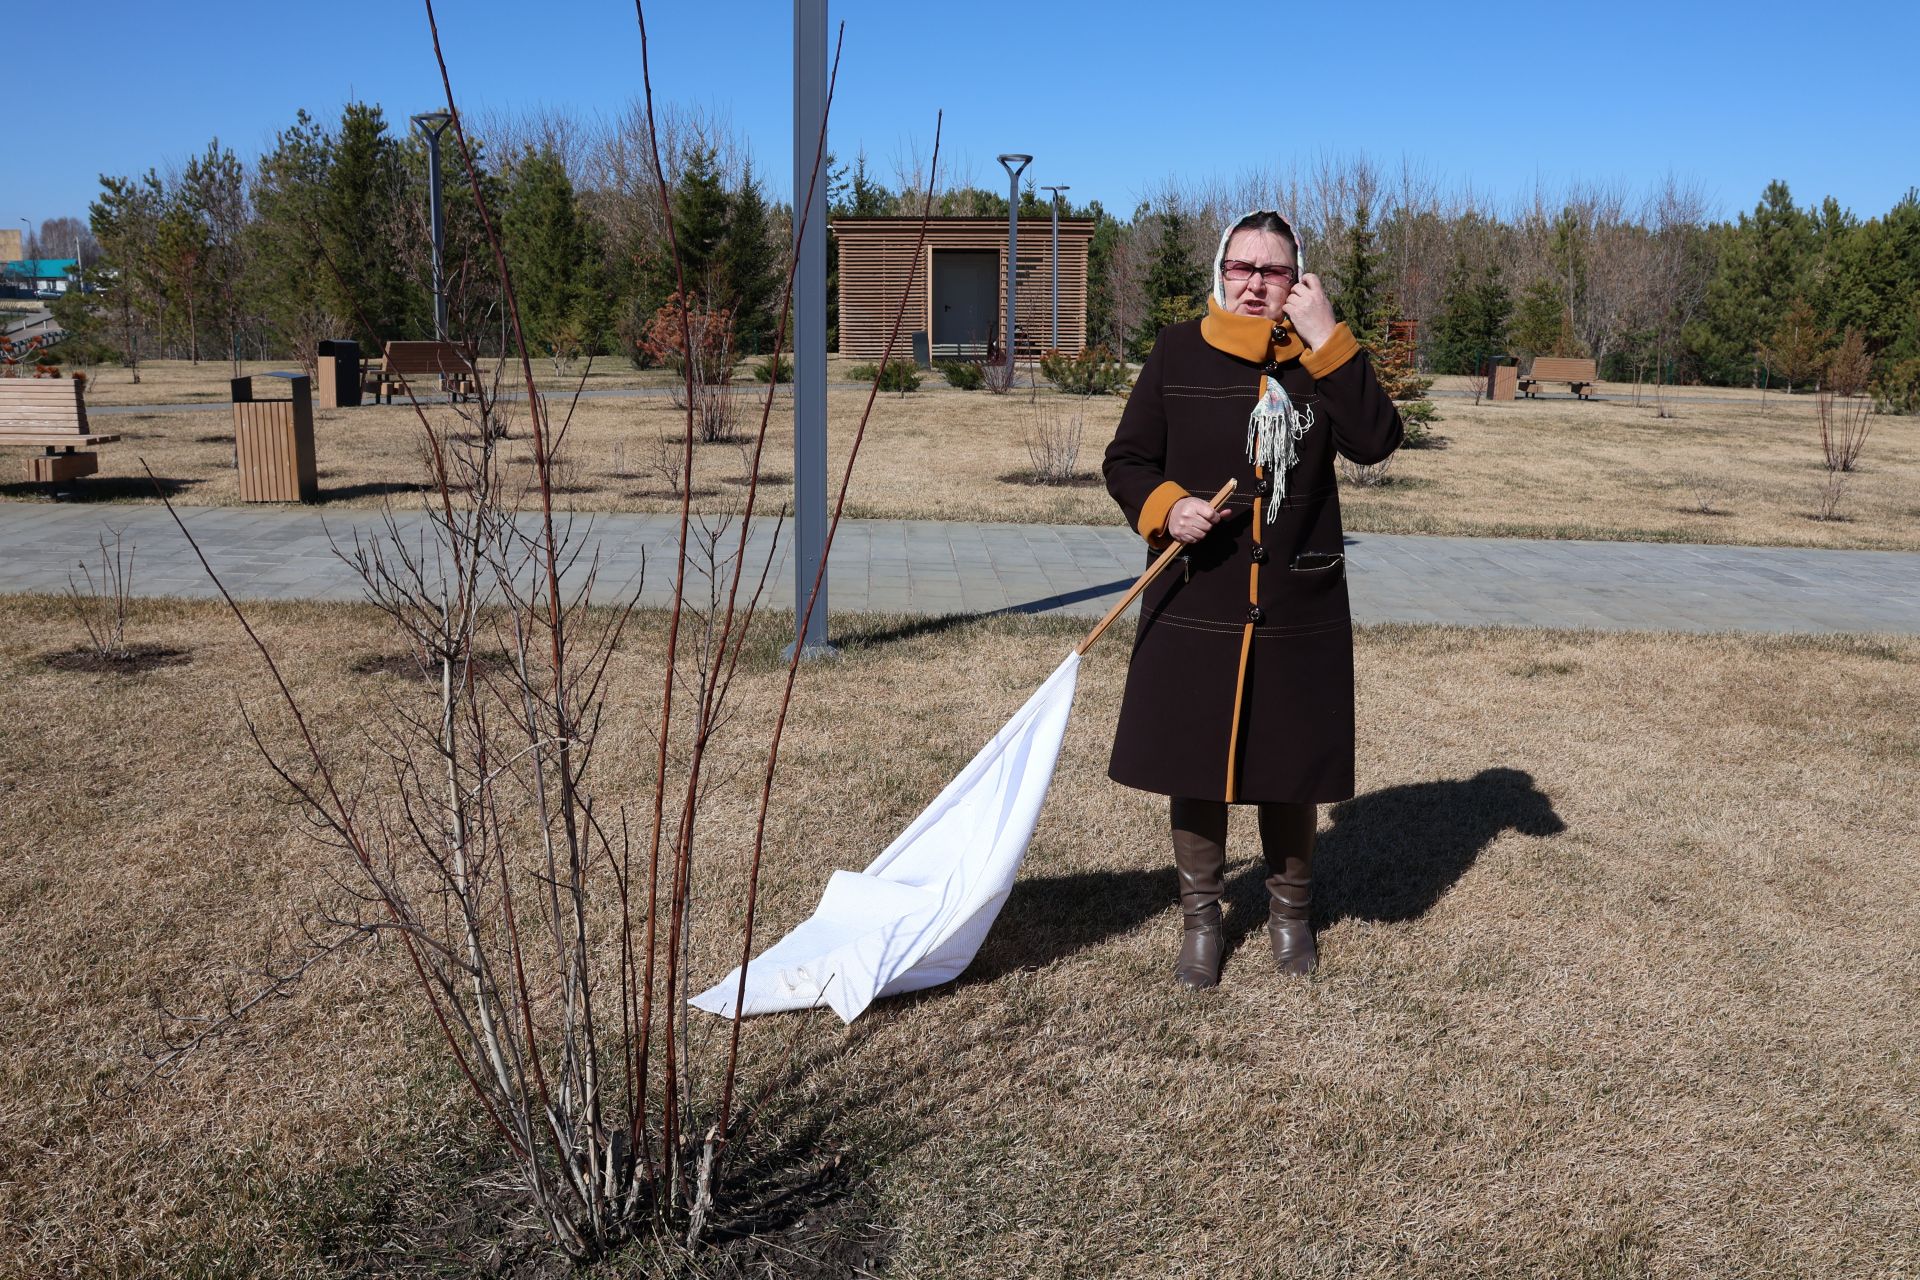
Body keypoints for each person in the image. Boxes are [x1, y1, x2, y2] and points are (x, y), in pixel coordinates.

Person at [1102, 210, 1403, 989]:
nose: (1255, 284)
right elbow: (1127, 458)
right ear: (1220, 272)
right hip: (1197, 593)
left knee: (1289, 766)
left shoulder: (1320, 359)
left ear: (1296, 279)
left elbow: (1376, 440)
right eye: (1241, 268)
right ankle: (1203, 922)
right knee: (1194, 763)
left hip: (1297, 603)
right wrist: (1168, 506)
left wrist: (1330, 336)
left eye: (1273, 271)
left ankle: (1289, 916)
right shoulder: (1176, 349)